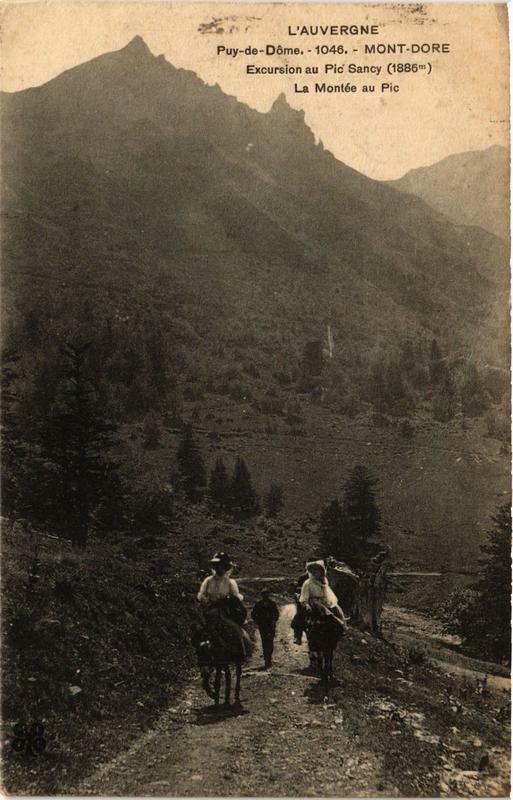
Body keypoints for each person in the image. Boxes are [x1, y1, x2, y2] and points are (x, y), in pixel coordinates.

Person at [197, 552, 252, 661]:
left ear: (225, 567)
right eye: (216, 566)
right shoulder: (208, 581)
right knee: (199, 630)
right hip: (210, 610)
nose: (218, 568)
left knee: (235, 629)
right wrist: (207, 601)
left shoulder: (230, 582)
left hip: (225, 611)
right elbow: (201, 595)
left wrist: (228, 599)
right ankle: (201, 657)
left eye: (221, 566)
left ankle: (243, 652)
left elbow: (236, 597)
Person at [299, 559, 348, 625]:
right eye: (315, 572)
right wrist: (306, 604)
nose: (317, 574)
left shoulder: (323, 581)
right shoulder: (308, 583)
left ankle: (343, 621)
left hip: (324, 600)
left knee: (336, 608)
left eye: (319, 571)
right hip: (315, 602)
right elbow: (304, 597)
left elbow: (328, 592)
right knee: (323, 610)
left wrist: (329, 600)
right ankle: (336, 621)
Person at [251, 589, 280, 669]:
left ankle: (269, 658)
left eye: (267, 595)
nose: (266, 596)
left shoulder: (272, 604)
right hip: (263, 626)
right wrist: (258, 621)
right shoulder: (258, 604)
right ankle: (266, 659)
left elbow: (277, 614)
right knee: (264, 642)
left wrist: (273, 621)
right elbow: (253, 614)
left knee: (270, 642)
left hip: (270, 626)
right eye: (264, 595)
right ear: (262, 596)